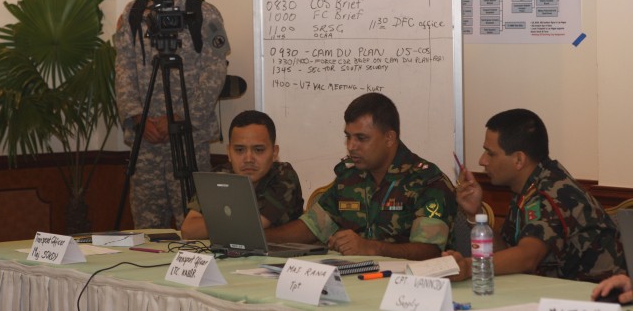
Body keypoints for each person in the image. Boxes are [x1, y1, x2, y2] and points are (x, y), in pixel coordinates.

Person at [114, 0, 230, 229]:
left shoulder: (202, 12)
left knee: (194, 226)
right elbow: (123, 67)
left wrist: (179, 116)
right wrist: (138, 116)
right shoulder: (134, 13)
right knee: (146, 227)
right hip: (147, 138)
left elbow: (214, 74)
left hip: (188, 136)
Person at [265, 92, 457, 260]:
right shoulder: (350, 177)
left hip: (407, 286)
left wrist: (372, 248)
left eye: (361, 138)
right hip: (353, 280)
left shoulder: (427, 181)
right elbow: (310, 228)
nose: (351, 146)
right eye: (348, 136)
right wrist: (257, 238)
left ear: (389, 138)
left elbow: (430, 251)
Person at [444, 108, 625, 282]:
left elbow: (527, 258)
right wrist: (476, 214)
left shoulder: (551, 192)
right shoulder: (528, 186)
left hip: (598, 298)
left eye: (490, 153)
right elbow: (508, 252)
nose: (482, 161)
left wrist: (469, 267)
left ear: (519, 160)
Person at [181, 110, 304, 239]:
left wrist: (216, 220)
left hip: (279, 256)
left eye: (258, 150)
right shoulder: (220, 176)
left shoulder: (284, 176)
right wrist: (234, 221)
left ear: (274, 152)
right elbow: (189, 230)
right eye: (239, 150)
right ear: (229, 152)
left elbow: (252, 226)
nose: (248, 159)